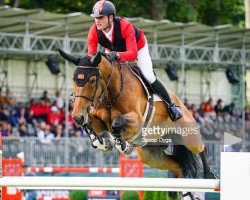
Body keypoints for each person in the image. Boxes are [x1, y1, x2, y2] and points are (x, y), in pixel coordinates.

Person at [87, 0, 182, 121]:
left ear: (110, 18)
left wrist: (116, 55)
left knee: (148, 75)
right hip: (113, 49)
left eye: (100, 17)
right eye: (95, 17)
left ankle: (171, 106)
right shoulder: (93, 31)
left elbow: (132, 54)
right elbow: (91, 57)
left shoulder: (125, 26)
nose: (97, 21)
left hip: (138, 47)